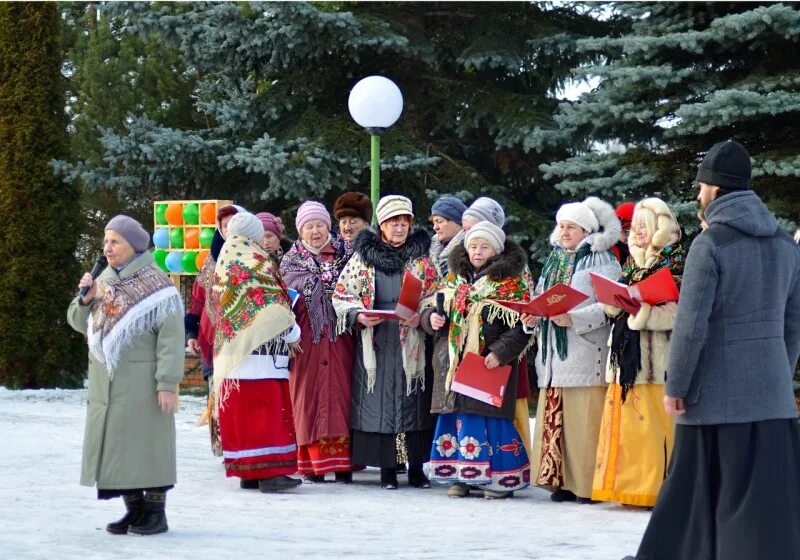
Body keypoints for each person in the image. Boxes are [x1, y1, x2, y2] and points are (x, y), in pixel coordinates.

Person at [625, 141, 800, 560]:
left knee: (694, 494)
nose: (699, 195)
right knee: (765, 498)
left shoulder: (712, 244)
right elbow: (793, 323)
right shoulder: (784, 243)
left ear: (716, 190)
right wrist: (777, 371)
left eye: (702, 187)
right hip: (771, 396)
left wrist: (677, 383)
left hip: (714, 400)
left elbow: (692, 324)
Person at [67, 215, 184, 536]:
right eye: (105, 241)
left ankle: (156, 512)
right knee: (118, 449)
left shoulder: (157, 285)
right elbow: (78, 322)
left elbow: (171, 339)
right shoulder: (102, 281)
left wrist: (167, 384)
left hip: (144, 385)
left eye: (114, 241)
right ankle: (134, 510)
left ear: (133, 246)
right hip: (108, 383)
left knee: (148, 447)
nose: (107, 247)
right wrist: (85, 300)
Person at [332, 195, 439, 489]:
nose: (400, 228)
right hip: (377, 342)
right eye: (394, 222)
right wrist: (358, 315)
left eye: (405, 222)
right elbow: (342, 295)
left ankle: (416, 469)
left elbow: (435, 293)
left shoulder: (421, 259)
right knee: (378, 405)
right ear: (382, 225)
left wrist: (424, 314)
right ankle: (387, 470)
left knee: (413, 402)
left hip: (411, 342)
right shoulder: (362, 258)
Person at [423, 221, 533, 499]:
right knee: (459, 417)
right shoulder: (453, 279)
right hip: (454, 363)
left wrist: (500, 352)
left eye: (484, 246)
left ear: (496, 250)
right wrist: (431, 319)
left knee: (489, 419)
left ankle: (499, 479)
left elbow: (523, 325)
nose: (477, 251)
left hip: (488, 362)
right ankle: (463, 475)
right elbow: (431, 308)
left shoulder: (512, 282)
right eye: (473, 246)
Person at [524, 196, 622, 503]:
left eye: (572, 227)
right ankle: (562, 481)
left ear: (586, 230)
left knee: (583, 425)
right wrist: (531, 316)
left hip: (584, 351)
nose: (565, 232)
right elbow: (542, 297)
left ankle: (588, 486)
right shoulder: (553, 260)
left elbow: (613, 304)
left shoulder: (603, 260)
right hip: (553, 354)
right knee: (559, 422)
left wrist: (575, 318)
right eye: (562, 226)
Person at [592, 198, 684, 508]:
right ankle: (627, 488)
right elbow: (616, 300)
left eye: (645, 224)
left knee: (652, 430)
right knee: (629, 430)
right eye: (636, 225)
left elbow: (681, 312)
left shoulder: (676, 260)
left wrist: (643, 312)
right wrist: (615, 301)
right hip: (625, 358)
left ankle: (653, 491)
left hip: (657, 361)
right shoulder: (632, 263)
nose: (639, 230)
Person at [211, 211, 303, 493]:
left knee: (243, 416)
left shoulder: (225, 261)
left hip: (232, 353)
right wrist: (293, 332)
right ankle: (271, 473)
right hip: (262, 354)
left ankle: (248, 471)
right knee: (267, 415)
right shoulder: (256, 261)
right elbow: (272, 307)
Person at [280, 201, 356, 483]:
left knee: (342, 395)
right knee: (306, 398)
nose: (315, 231)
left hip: (341, 339)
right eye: (309, 226)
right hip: (304, 341)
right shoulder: (290, 261)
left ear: (328, 226)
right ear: (300, 230)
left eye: (320, 225)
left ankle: (344, 463)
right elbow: (282, 300)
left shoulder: (348, 255)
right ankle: (312, 465)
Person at [186, 204, 242, 456]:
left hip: (243, 342)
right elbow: (197, 300)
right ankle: (223, 447)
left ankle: (243, 446)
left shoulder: (250, 258)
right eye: (224, 224)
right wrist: (191, 333)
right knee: (217, 396)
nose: (228, 228)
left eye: (233, 223)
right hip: (211, 340)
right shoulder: (210, 262)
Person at [429, 195, 468, 277]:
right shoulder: (429, 252)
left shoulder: (470, 253)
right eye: (433, 222)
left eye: (439, 221)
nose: (435, 227)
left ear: (456, 221)